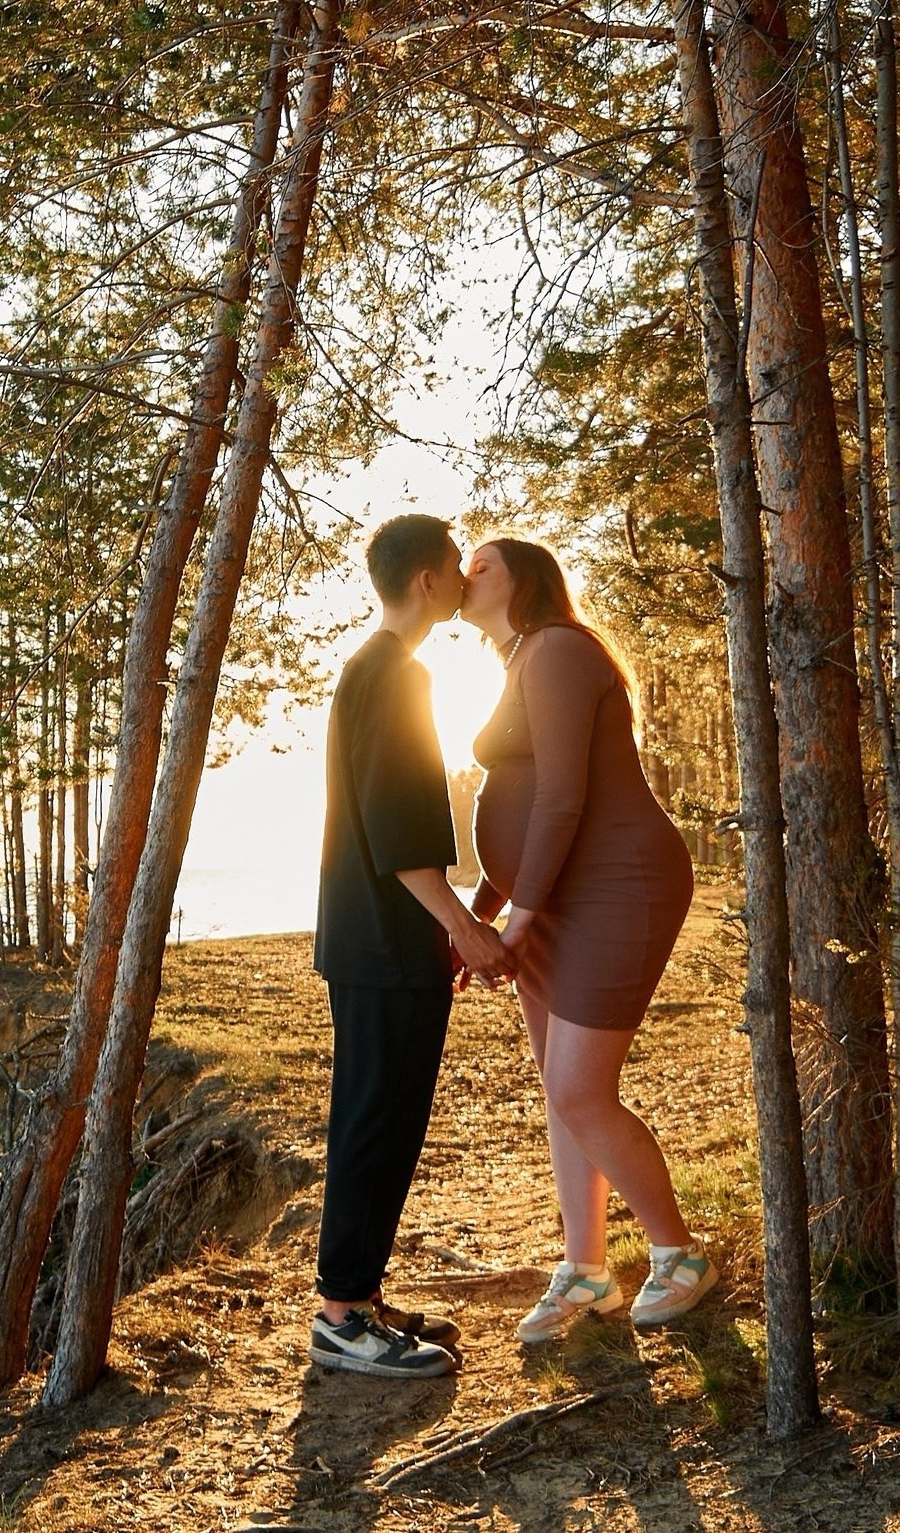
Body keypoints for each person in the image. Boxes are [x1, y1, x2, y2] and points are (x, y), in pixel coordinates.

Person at [461, 536, 717, 1339]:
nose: (467, 574)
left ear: (526, 579)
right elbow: (526, 796)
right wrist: (486, 908)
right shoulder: (521, 659)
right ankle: (586, 1271)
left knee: (579, 1090)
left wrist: (517, 916)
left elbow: (563, 798)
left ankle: (680, 1254)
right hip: (555, 892)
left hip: (615, 884)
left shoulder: (560, 649)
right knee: (561, 1089)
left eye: (483, 564)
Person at [307, 514, 508, 1379]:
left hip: (377, 940)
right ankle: (343, 1317)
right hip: (385, 944)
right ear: (427, 579)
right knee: (375, 1123)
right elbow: (397, 835)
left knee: (383, 1121)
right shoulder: (396, 675)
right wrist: (464, 928)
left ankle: (357, 1296)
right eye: (457, 566)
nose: (465, 579)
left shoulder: (374, 669)